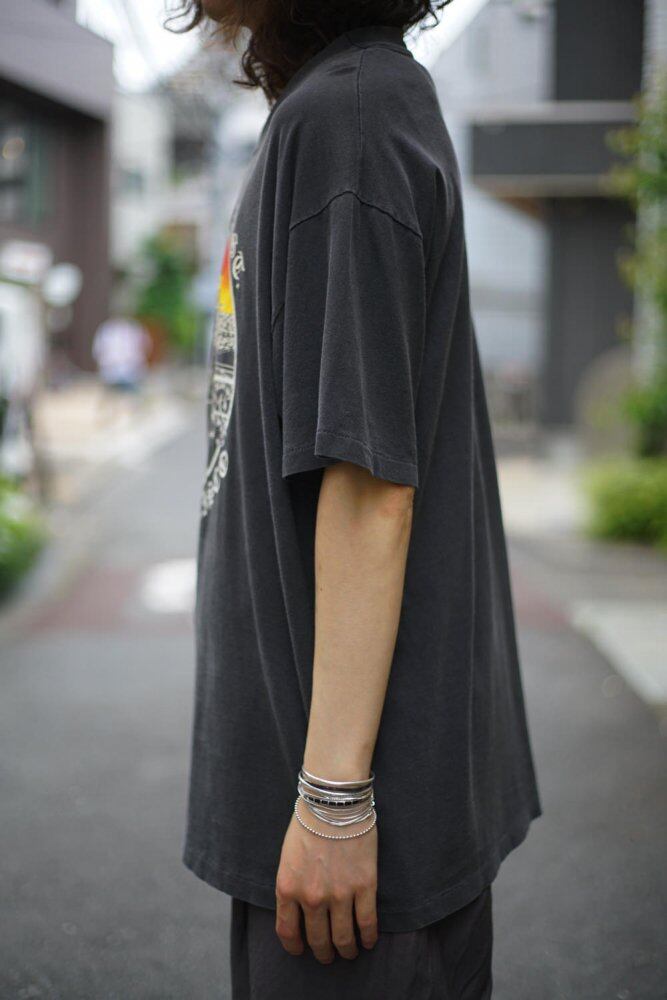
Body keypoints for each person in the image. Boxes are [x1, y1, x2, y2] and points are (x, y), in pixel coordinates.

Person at [175, 3, 543, 997]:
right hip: (343, 807)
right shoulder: (352, 105)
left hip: (355, 845)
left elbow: (370, 485)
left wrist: (334, 802)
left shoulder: (345, 122)